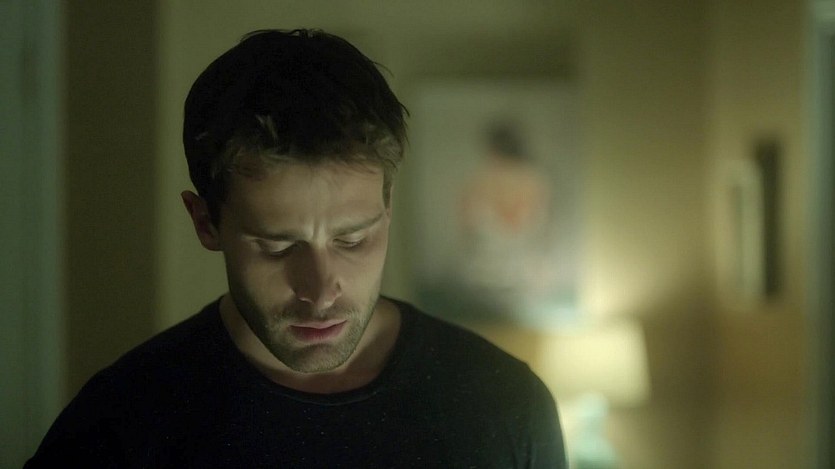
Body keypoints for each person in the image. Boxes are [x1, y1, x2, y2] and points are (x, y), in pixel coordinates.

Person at [26, 29, 567, 468]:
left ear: (388, 208)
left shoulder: (506, 406)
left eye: (352, 239)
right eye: (278, 246)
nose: (320, 290)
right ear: (206, 222)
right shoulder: (119, 423)